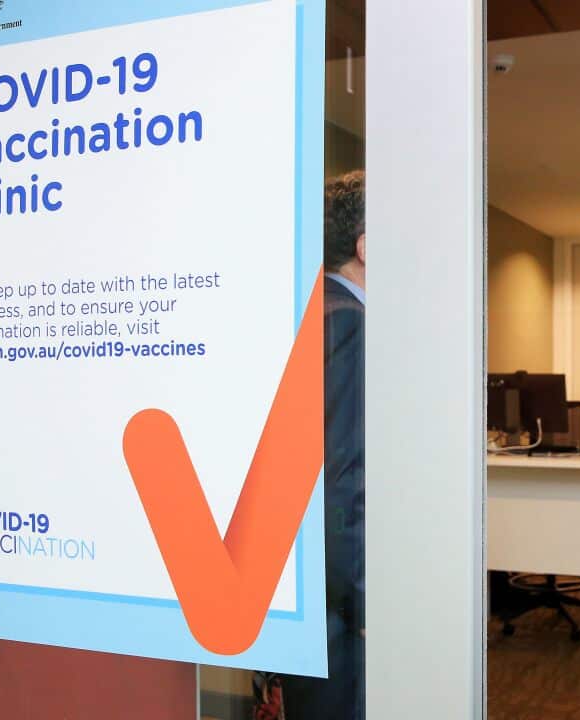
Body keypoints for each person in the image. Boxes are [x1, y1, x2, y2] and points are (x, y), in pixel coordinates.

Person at [266, 170, 366, 719]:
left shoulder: (308, 311)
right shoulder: (350, 321)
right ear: (366, 248)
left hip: (305, 584)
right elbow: (339, 474)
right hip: (337, 600)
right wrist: (366, 597)